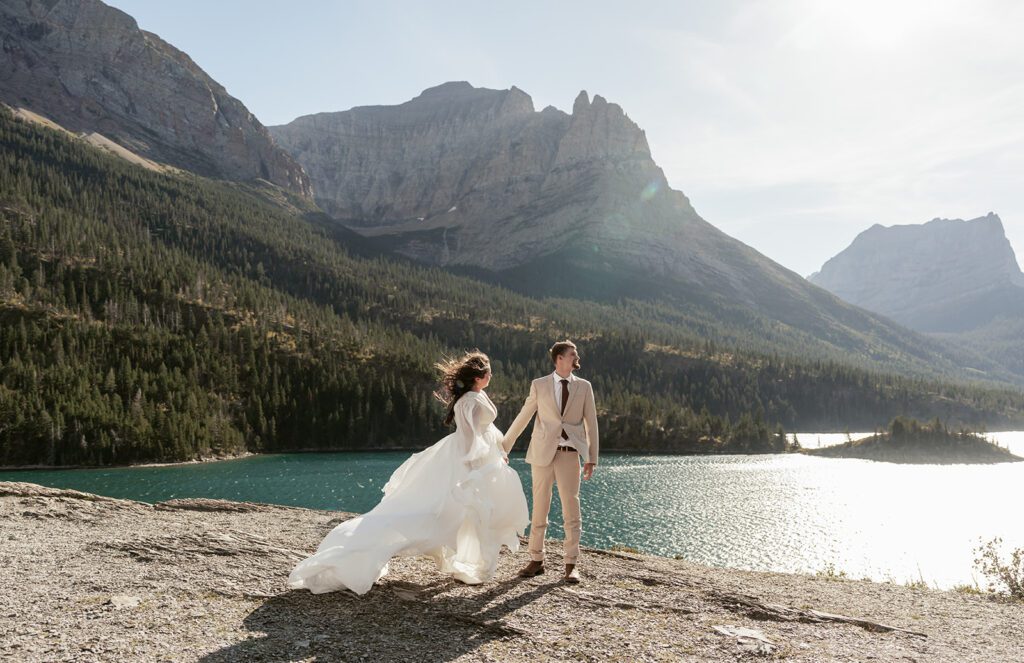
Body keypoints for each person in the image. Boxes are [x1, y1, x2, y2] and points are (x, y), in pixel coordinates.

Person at [288, 351, 529, 595]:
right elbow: (469, 438)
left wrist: (498, 450)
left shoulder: (479, 394)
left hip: (484, 458)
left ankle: (471, 563)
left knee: (475, 512)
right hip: (466, 461)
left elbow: (487, 429)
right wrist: (472, 467)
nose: (491, 375)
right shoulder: (468, 401)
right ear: (478, 377)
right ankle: (358, 553)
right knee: (448, 511)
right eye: (488, 372)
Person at [502, 340, 598, 584]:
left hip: (569, 454)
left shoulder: (584, 387)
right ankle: (536, 560)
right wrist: (504, 446)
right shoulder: (539, 385)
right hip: (542, 453)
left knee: (571, 509)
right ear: (559, 359)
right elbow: (524, 416)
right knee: (540, 508)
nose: (577, 358)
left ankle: (571, 564)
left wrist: (591, 458)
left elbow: (591, 424)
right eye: (572, 354)